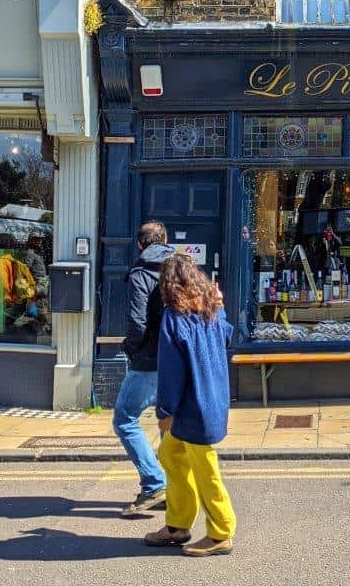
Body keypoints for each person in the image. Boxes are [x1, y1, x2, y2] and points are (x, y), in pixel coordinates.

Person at [144, 253, 236, 557]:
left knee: (205, 469)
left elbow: (171, 371)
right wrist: (220, 306)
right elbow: (227, 339)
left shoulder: (174, 317)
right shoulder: (213, 310)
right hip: (212, 401)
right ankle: (178, 525)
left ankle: (221, 532)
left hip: (190, 407)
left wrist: (165, 411)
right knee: (170, 453)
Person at [113, 220, 174, 518]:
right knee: (167, 420)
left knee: (124, 419)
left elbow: (137, 323)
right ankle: (173, 487)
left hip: (149, 361)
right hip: (177, 359)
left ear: (140, 244)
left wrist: (132, 348)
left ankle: (154, 483)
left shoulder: (141, 273)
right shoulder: (180, 267)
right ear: (165, 240)